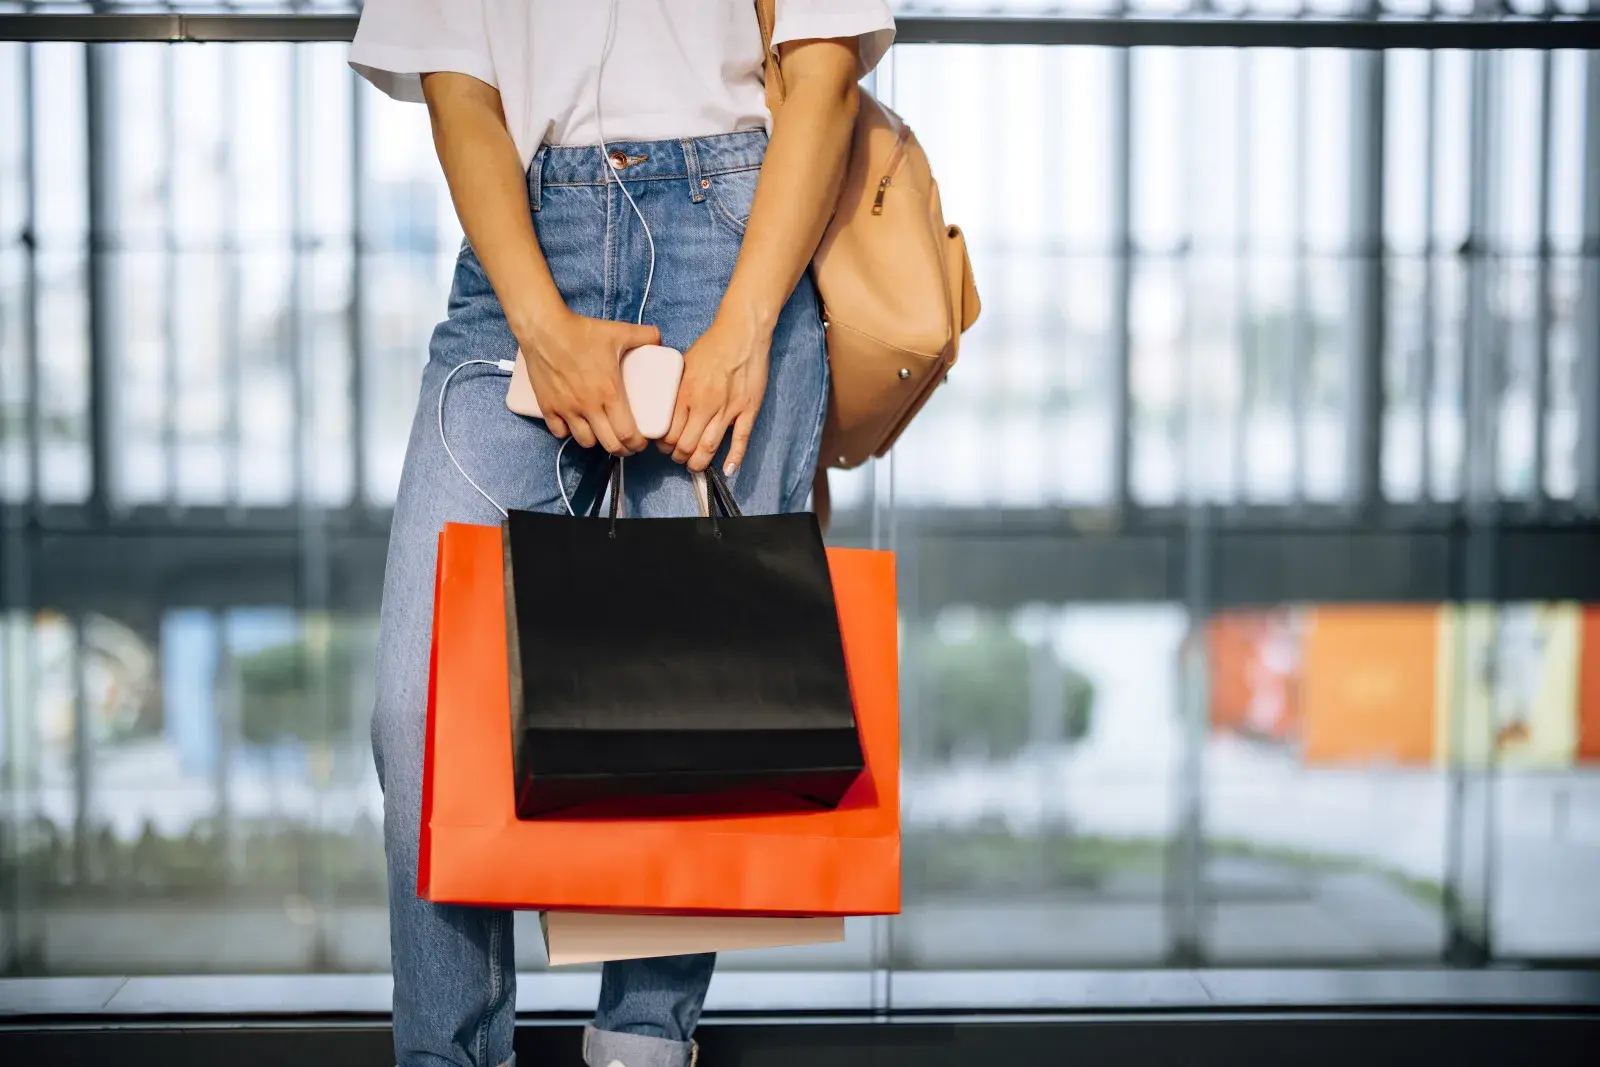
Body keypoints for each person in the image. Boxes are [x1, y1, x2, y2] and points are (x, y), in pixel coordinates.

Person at [348, 3, 895, 1065]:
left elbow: (822, 66)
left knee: (695, 699)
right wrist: (542, 330)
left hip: (739, 233)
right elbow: (454, 80)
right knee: (418, 708)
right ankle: (448, 1052)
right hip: (520, 240)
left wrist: (743, 331)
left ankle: (644, 1039)